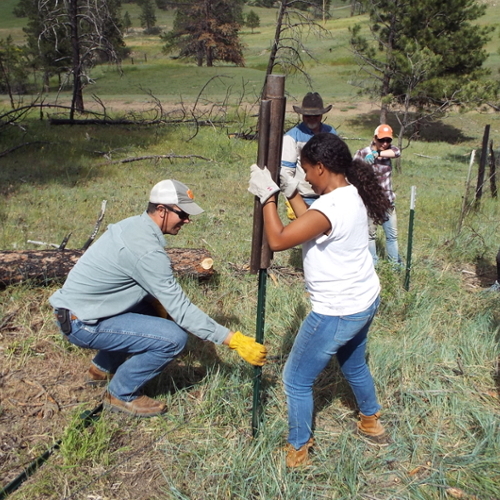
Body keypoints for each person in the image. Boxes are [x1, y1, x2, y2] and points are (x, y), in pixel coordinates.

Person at [50, 179, 267, 417]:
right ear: (162, 210)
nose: (187, 220)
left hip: (79, 311)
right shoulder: (147, 251)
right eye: (182, 214)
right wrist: (233, 340)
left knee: (155, 311)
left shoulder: (134, 226)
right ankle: (120, 393)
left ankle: (101, 368)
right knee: (173, 338)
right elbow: (181, 310)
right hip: (82, 323)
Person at [248, 133, 391, 467]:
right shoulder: (349, 192)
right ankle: (371, 421)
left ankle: (298, 451)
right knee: (353, 364)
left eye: (307, 170)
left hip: (337, 310)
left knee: (296, 379)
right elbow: (311, 223)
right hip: (364, 300)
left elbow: (280, 239)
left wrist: (268, 196)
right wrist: (292, 191)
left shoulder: (330, 207)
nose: (306, 176)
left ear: (322, 168)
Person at [281, 92, 337, 218]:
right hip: (304, 197)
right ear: (302, 115)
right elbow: (286, 172)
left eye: (315, 115)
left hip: (330, 197)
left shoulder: (331, 133)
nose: (312, 119)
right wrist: (292, 198)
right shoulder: (291, 137)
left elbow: (339, 164)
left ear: (322, 115)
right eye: (308, 116)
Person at [354, 124, 402, 266]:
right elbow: (352, 171)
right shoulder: (362, 152)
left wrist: (378, 154)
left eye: (388, 140)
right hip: (370, 202)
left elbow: (397, 152)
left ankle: (394, 265)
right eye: (382, 140)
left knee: (392, 236)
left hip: (387, 201)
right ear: (375, 138)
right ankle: (372, 264)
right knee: (370, 236)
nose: (385, 143)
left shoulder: (389, 151)